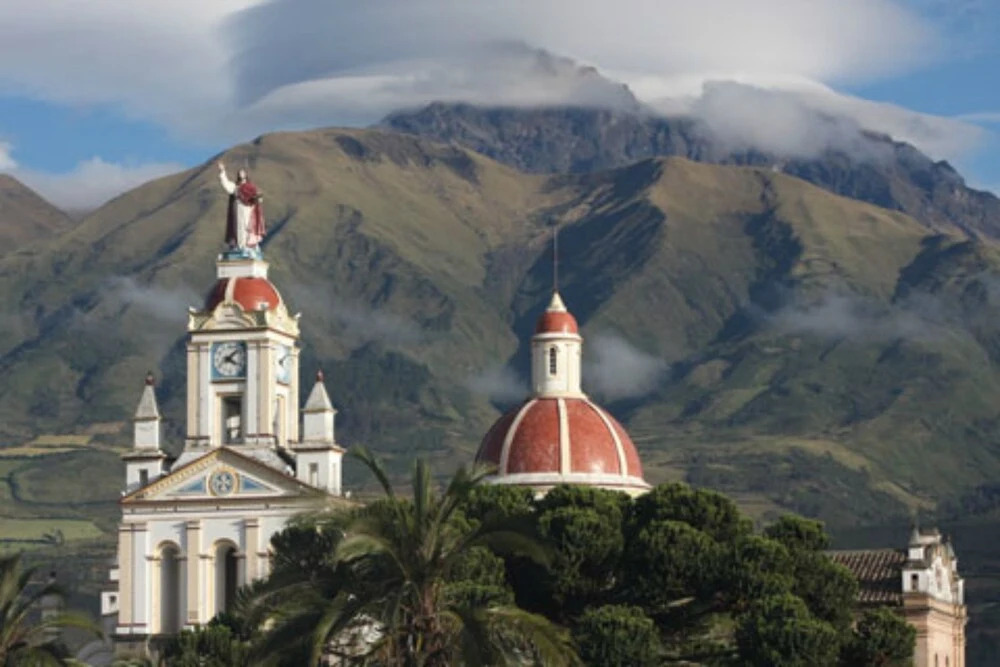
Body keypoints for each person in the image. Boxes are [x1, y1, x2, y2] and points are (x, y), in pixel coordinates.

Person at [218, 161, 266, 250]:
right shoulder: (235, 187)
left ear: (246, 174)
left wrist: (258, 199)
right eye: (240, 172)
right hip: (238, 208)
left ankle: (248, 245)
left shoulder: (251, 187)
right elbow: (227, 185)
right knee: (239, 227)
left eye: (243, 172)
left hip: (248, 209)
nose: (241, 174)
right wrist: (222, 172)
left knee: (248, 226)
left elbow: (257, 198)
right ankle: (241, 246)